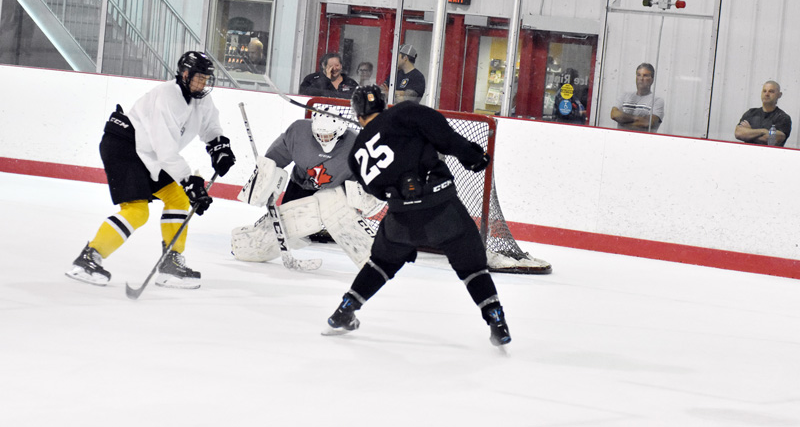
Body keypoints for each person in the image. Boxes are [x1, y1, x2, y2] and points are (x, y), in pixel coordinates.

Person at [324, 85, 511, 347]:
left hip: (401, 219)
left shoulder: (355, 154)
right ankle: (496, 320)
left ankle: (345, 309)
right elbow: (443, 135)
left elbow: (377, 192)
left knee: (381, 263)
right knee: (472, 268)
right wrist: (473, 157)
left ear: (357, 116)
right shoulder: (404, 112)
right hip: (443, 211)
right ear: (383, 104)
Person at [65, 51, 236, 289]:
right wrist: (190, 181)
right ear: (185, 74)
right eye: (199, 77)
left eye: (206, 78)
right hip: (124, 146)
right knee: (137, 211)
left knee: (177, 198)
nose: (203, 83)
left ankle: (170, 264)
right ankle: (87, 259)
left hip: (149, 153)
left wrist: (219, 147)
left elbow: (210, 127)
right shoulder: (167, 96)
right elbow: (166, 151)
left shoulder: (201, 100)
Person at [231, 108, 380, 268]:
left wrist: (364, 198)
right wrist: (265, 179)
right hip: (301, 184)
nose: (323, 139)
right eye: (319, 135)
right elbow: (274, 160)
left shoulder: (355, 144)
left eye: (328, 136)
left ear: (340, 132)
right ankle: (248, 245)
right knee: (287, 222)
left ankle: (374, 258)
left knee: (335, 209)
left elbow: (368, 176)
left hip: (335, 190)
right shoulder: (298, 132)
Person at [734, 80, 792, 147]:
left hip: (770, 155)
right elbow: (738, 133)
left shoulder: (783, 118)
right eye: (764, 91)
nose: (767, 94)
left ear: (779, 95)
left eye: (771, 91)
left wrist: (749, 132)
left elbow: (774, 140)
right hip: (748, 154)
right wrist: (763, 131)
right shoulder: (751, 113)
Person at [610, 63, 665, 132]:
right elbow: (614, 114)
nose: (641, 79)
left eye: (645, 76)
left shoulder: (657, 101)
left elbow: (648, 122)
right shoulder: (624, 96)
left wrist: (623, 121)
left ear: (652, 79)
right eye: (639, 75)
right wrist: (638, 118)